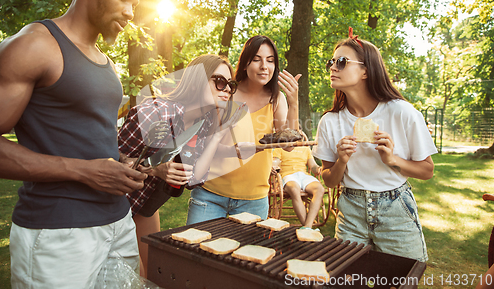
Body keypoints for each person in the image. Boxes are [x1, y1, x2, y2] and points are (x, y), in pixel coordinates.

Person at [0, 0, 146, 288]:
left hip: (119, 222)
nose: (131, 13)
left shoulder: (108, 63)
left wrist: (121, 163)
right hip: (58, 232)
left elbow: (87, 137)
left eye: (134, 4)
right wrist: (84, 171)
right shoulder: (35, 45)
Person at [312, 27, 437, 262]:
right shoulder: (329, 121)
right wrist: (342, 161)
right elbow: (328, 179)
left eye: (341, 62)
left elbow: (427, 170)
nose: (332, 67)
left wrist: (393, 160)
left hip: (396, 209)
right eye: (332, 62)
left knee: (403, 280)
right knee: (348, 280)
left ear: (366, 71)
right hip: (351, 209)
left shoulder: (402, 112)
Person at [118, 54, 249, 276]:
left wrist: (218, 135)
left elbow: (195, 178)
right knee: (132, 275)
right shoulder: (157, 112)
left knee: (152, 273)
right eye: (219, 81)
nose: (227, 89)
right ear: (198, 80)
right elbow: (110, 156)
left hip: (145, 205)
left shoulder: (205, 122)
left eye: (231, 84)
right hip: (114, 206)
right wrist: (156, 169)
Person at [186, 35, 301, 225]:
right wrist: (234, 151)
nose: (264, 66)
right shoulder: (226, 92)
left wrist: (293, 102)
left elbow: (288, 145)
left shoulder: (276, 99)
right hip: (211, 195)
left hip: (254, 201)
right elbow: (206, 144)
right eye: (257, 59)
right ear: (245, 63)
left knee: (248, 255)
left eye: (270, 60)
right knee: (194, 251)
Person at [273, 128, 324, 229]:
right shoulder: (281, 147)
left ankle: (307, 227)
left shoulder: (305, 148)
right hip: (288, 175)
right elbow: (276, 161)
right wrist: (274, 165)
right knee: (294, 189)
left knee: (320, 189)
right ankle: (308, 227)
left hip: (303, 175)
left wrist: (319, 169)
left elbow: (313, 166)